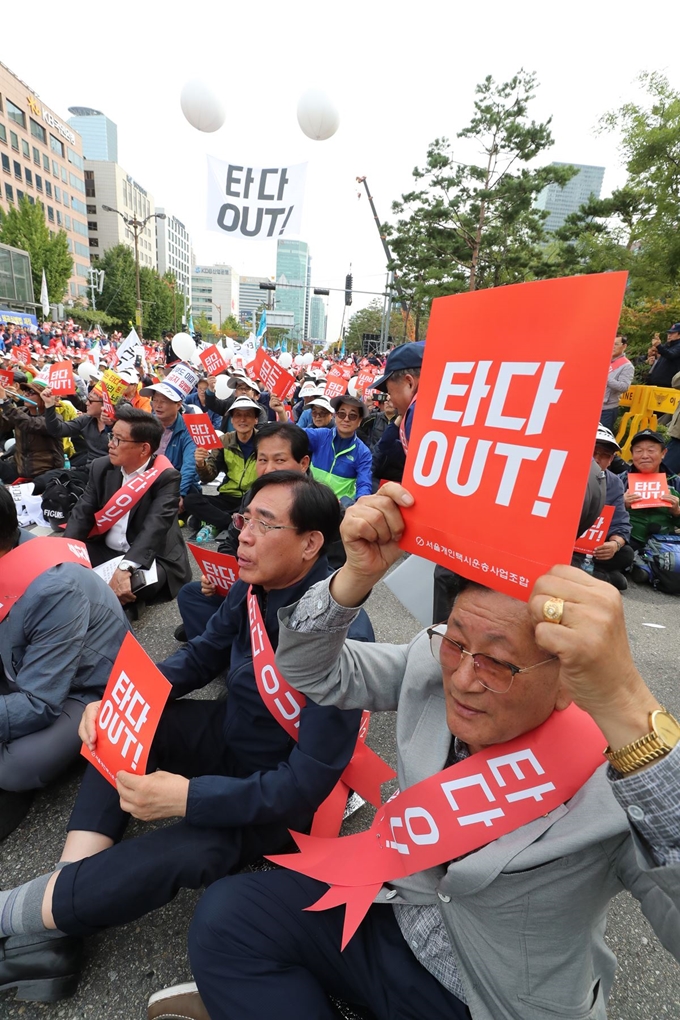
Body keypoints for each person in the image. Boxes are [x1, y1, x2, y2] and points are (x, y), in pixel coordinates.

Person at [158, 483, 680, 1020]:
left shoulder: (623, 774)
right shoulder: (436, 658)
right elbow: (309, 670)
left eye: (499, 663)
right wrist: (356, 577)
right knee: (227, 916)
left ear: (569, 681)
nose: (463, 679)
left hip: (492, 998)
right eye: (455, 642)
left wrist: (626, 702)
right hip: (397, 911)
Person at [0, 472, 363, 1004]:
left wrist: (188, 797)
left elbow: (305, 782)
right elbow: (200, 656)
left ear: (311, 543)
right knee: (120, 726)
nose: (242, 534)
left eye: (265, 524)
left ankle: (24, 912)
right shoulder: (256, 584)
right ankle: (66, 899)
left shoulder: (347, 639)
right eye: (245, 519)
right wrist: (124, 698)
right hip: (230, 732)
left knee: (187, 847)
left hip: (278, 794)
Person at [0, 488, 129, 841]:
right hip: (28, 665)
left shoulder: (53, 588)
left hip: (86, 687)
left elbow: (39, 703)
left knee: (16, 768)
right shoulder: (9, 549)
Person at [63, 405, 192, 605]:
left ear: (144, 449)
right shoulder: (101, 467)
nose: (110, 445)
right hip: (106, 549)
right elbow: (82, 514)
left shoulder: (166, 477)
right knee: (61, 567)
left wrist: (125, 568)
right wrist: (65, 552)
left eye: (118, 440)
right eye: (111, 437)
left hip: (149, 554)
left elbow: (154, 528)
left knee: (138, 585)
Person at [183, 395, 260, 542]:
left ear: (255, 419)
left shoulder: (264, 441)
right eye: (238, 415)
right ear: (232, 419)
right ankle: (232, 523)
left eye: (248, 415)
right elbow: (209, 476)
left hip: (253, 500)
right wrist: (201, 464)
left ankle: (219, 520)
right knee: (191, 500)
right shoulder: (224, 440)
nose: (242, 419)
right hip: (227, 497)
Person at [271, 394, 372, 506]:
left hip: (339, 509)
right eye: (342, 414)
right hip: (312, 501)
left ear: (359, 421)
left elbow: (364, 485)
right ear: (335, 416)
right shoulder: (321, 436)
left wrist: (360, 505)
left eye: (352, 416)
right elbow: (294, 433)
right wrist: (281, 412)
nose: (346, 419)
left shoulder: (363, 453)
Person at [139, 377, 202, 505]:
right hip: (148, 480)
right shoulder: (147, 424)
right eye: (155, 400)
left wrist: (178, 493)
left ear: (178, 405)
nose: (158, 405)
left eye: (164, 401)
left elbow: (189, 466)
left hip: (175, 481)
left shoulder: (188, 428)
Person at [589, 425, 633, 589]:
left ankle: (592, 573)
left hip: (593, 548)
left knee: (625, 553)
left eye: (605, 455)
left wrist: (614, 545)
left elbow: (621, 523)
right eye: (593, 452)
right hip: (563, 543)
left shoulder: (614, 482)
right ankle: (602, 577)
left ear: (611, 460)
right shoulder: (564, 471)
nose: (597, 459)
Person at [622, 429, 680, 550]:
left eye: (651, 450)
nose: (644, 456)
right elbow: (600, 517)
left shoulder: (675, 482)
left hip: (665, 544)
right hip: (627, 540)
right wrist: (620, 504)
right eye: (638, 451)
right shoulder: (620, 481)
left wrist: (677, 511)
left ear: (663, 453)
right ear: (632, 454)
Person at [0, 375, 64, 484]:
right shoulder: (22, 411)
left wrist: (5, 402)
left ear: (45, 397)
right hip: (20, 470)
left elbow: (30, 424)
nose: (26, 394)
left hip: (44, 476)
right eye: (25, 391)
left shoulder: (54, 419)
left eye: (31, 392)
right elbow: (3, 425)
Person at [41, 384, 112, 466]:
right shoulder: (86, 420)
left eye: (91, 400)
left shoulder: (120, 424)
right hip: (88, 470)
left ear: (105, 404)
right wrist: (49, 404)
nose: (86, 403)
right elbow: (57, 430)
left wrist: (110, 426)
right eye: (87, 399)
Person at [600, 335, 634, 432]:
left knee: (600, 441)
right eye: (611, 344)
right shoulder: (603, 360)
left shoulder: (627, 366)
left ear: (624, 346)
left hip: (607, 409)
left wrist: (605, 379)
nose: (612, 347)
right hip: (593, 405)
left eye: (616, 344)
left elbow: (624, 386)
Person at [647, 323, 680, 389]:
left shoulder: (678, 346)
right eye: (669, 333)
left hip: (668, 385)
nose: (669, 335)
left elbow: (670, 355)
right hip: (656, 384)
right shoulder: (668, 345)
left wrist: (659, 346)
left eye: (673, 333)